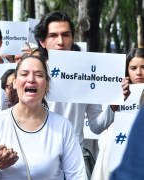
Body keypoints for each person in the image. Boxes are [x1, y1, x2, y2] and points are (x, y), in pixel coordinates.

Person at [34, 10, 129, 178]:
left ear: (72, 38)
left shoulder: (88, 72)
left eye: (66, 35)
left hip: (74, 163)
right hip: (38, 160)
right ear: (42, 41)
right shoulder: (32, 75)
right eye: (53, 36)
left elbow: (96, 126)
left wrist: (113, 106)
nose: (60, 41)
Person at [0, 55, 87, 180]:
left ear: (46, 84)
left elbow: (78, 175)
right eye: (24, 74)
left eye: (39, 75)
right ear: (14, 83)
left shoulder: (62, 126)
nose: (31, 79)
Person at [91, 48, 144, 180]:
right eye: (133, 68)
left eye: (143, 67)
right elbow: (97, 127)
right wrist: (114, 105)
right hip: (112, 153)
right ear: (126, 70)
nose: (139, 72)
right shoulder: (115, 92)